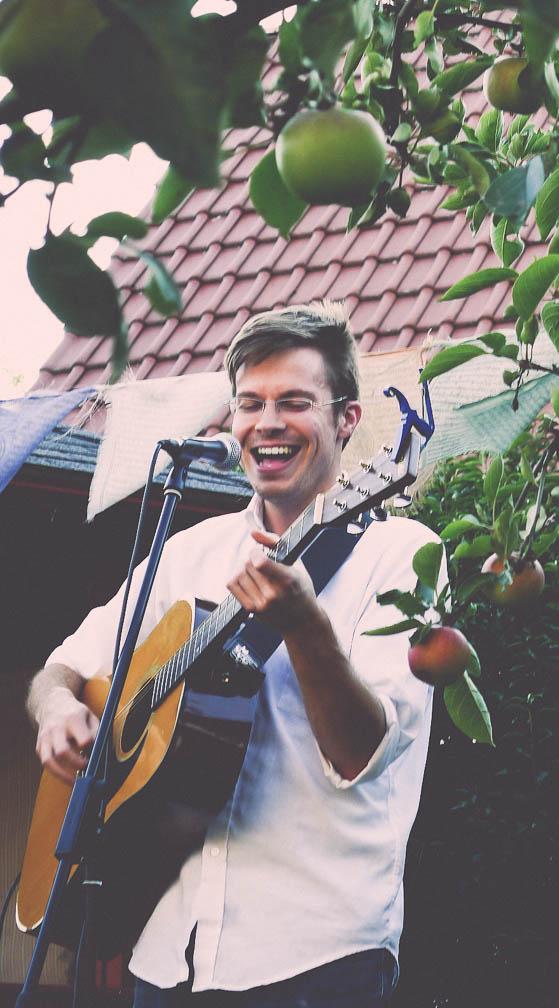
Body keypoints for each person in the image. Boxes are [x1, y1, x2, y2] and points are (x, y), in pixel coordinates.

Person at [27, 300, 442, 1006]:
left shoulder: (400, 554)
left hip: (314, 954)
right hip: (166, 947)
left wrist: (305, 624)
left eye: (294, 402)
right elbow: (59, 666)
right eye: (249, 403)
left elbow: (362, 752)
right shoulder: (188, 551)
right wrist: (58, 710)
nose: (267, 422)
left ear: (346, 419)